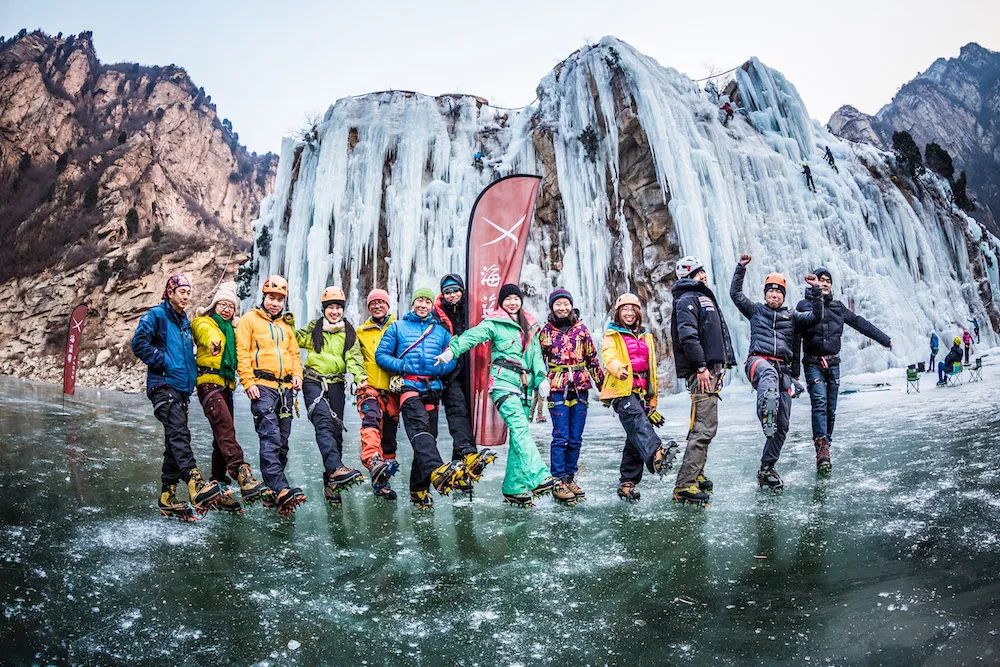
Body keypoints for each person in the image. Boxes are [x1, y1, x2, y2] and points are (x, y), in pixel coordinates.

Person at [436, 283, 555, 507]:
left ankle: (514, 487)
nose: (512, 302)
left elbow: (536, 356)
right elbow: (472, 336)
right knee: (520, 428)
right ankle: (538, 476)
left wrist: (542, 379)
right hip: (502, 384)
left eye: (516, 298)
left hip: (525, 388)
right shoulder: (494, 323)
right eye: (507, 299)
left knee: (518, 436)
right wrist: (452, 351)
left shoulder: (529, 326)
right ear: (501, 302)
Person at [132, 274, 224, 520]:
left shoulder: (184, 321)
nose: (186, 295)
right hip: (163, 385)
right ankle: (195, 482)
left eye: (188, 291)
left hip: (181, 389)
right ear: (170, 292)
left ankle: (167, 497)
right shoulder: (156, 315)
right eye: (182, 291)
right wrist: (164, 362)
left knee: (174, 442)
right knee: (180, 435)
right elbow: (139, 342)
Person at [730, 254, 823, 492]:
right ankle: (765, 410)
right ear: (765, 294)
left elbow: (815, 317)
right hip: (757, 362)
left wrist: (815, 291)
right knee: (768, 376)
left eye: (778, 292)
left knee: (782, 426)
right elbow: (736, 295)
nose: (774, 295)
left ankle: (766, 469)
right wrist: (740, 268)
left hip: (783, 372)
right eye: (770, 291)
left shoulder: (791, 317)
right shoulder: (756, 311)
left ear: (783, 296)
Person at [375, 287, 470, 509]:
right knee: (419, 430)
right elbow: (381, 355)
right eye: (419, 301)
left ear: (431, 306)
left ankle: (418, 490)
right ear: (413, 303)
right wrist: (402, 366)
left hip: (433, 388)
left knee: (429, 437)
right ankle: (438, 470)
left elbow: (452, 357)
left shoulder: (441, 333)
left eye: (427, 302)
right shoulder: (397, 327)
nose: (423, 305)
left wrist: (441, 369)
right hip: (409, 386)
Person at [794, 267, 891, 474]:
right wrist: (793, 372)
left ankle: (826, 444)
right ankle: (821, 449)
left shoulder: (838, 307)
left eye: (828, 280)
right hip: (812, 363)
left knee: (831, 407)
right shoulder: (804, 306)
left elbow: (859, 323)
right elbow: (795, 337)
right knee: (819, 402)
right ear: (814, 283)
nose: (825, 283)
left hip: (834, 363)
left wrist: (885, 339)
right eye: (821, 280)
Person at [190, 281, 268, 513]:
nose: (226, 309)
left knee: (220, 437)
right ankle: (240, 470)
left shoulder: (234, 330)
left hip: (226, 385)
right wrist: (214, 340)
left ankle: (219, 484)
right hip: (209, 383)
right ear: (214, 305)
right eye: (222, 305)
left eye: (230, 307)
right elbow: (206, 332)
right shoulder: (204, 322)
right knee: (225, 428)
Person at [235, 275, 306, 517]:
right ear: (263, 297)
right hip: (262, 386)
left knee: (282, 441)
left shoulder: (286, 326)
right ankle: (279, 487)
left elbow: (295, 355)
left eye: (279, 299)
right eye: (271, 298)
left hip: (286, 389)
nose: (275, 303)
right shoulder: (249, 320)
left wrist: (298, 375)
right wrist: (247, 382)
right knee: (270, 436)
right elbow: (242, 353)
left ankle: (273, 492)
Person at [670, 257, 736, 506]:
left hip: (710, 369)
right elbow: (688, 336)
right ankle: (685, 484)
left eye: (704, 271)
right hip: (703, 371)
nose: (704, 275)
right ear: (689, 276)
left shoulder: (699, 296)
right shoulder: (688, 298)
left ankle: (696, 473)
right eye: (699, 272)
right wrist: (700, 366)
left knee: (705, 424)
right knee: (704, 427)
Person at [599, 292, 676, 503]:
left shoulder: (646, 337)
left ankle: (627, 483)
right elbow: (608, 356)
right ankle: (656, 455)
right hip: (621, 390)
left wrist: (652, 401)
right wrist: (617, 369)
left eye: (633, 309)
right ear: (618, 313)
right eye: (625, 309)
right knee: (636, 420)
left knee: (633, 437)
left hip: (640, 391)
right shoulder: (612, 335)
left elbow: (651, 370)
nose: (629, 313)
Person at [295, 286, 369, 505]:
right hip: (313, 381)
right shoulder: (314, 329)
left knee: (336, 432)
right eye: (331, 307)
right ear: (324, 309)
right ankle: (336, 468)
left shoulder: (349, 333)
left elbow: (354, 358)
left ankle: (331, 483)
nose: (335, 311)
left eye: (338, 307)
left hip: (336, 383)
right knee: (323, 423)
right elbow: (293, 338)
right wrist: (286, 321)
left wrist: (360, 377)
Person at [538, 288, 604, 504]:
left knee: (575, 437)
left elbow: (593, 359)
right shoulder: (545, 332)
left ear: (571, 305)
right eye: (558, 304)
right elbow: (537, 362)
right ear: (552, 307)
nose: (562, 307)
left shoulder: (581, 330)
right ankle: (558, 479)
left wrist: (604, 388)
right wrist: (537, 385)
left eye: (565, 303)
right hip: (556, 386)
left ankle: (570, 477)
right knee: (561, 436)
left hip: (580, 386)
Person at [433, 273, 496, 485]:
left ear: (463, 290)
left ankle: (459, 473)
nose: (452, 295)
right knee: (457, 411)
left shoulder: (474, 310)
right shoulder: (436, 314)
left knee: (468, 416)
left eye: (456, 290)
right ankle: (469, 453)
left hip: (472, 370)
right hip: (450, 371)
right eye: (448, 292)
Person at [355, 288, 402, 500]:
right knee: (371, 422)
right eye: (373, 303)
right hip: (370, 387)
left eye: (381, 302)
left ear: (388, 305)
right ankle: (373, 460)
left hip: (393, 390)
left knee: (390, 439)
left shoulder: (399, 327)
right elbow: (354, 358)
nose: (377, 306)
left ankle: (382, 481)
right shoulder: (361, 332)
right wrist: (359, 377)